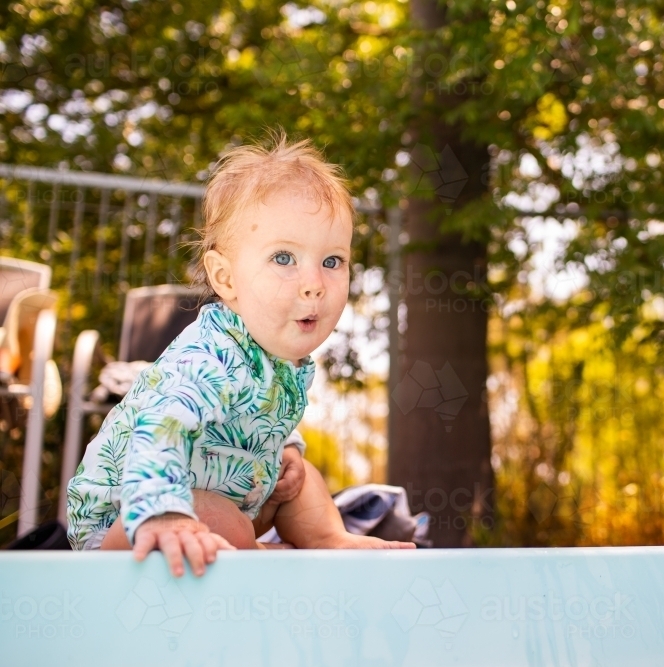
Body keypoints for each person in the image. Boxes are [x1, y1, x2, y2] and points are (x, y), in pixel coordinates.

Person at [66, 131, 414, 577]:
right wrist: (162, 512)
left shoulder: (279, 360)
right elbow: (157, 430)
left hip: (222, 489)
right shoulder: (210, 356)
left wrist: (284, 449)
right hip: (125, 518)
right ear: (226, 279)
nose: (314, 283)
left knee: (300, 476)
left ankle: (329, 539)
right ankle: (255, 553)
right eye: (284, 258)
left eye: (332, 261)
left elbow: (257, 419)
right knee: (218, 518)